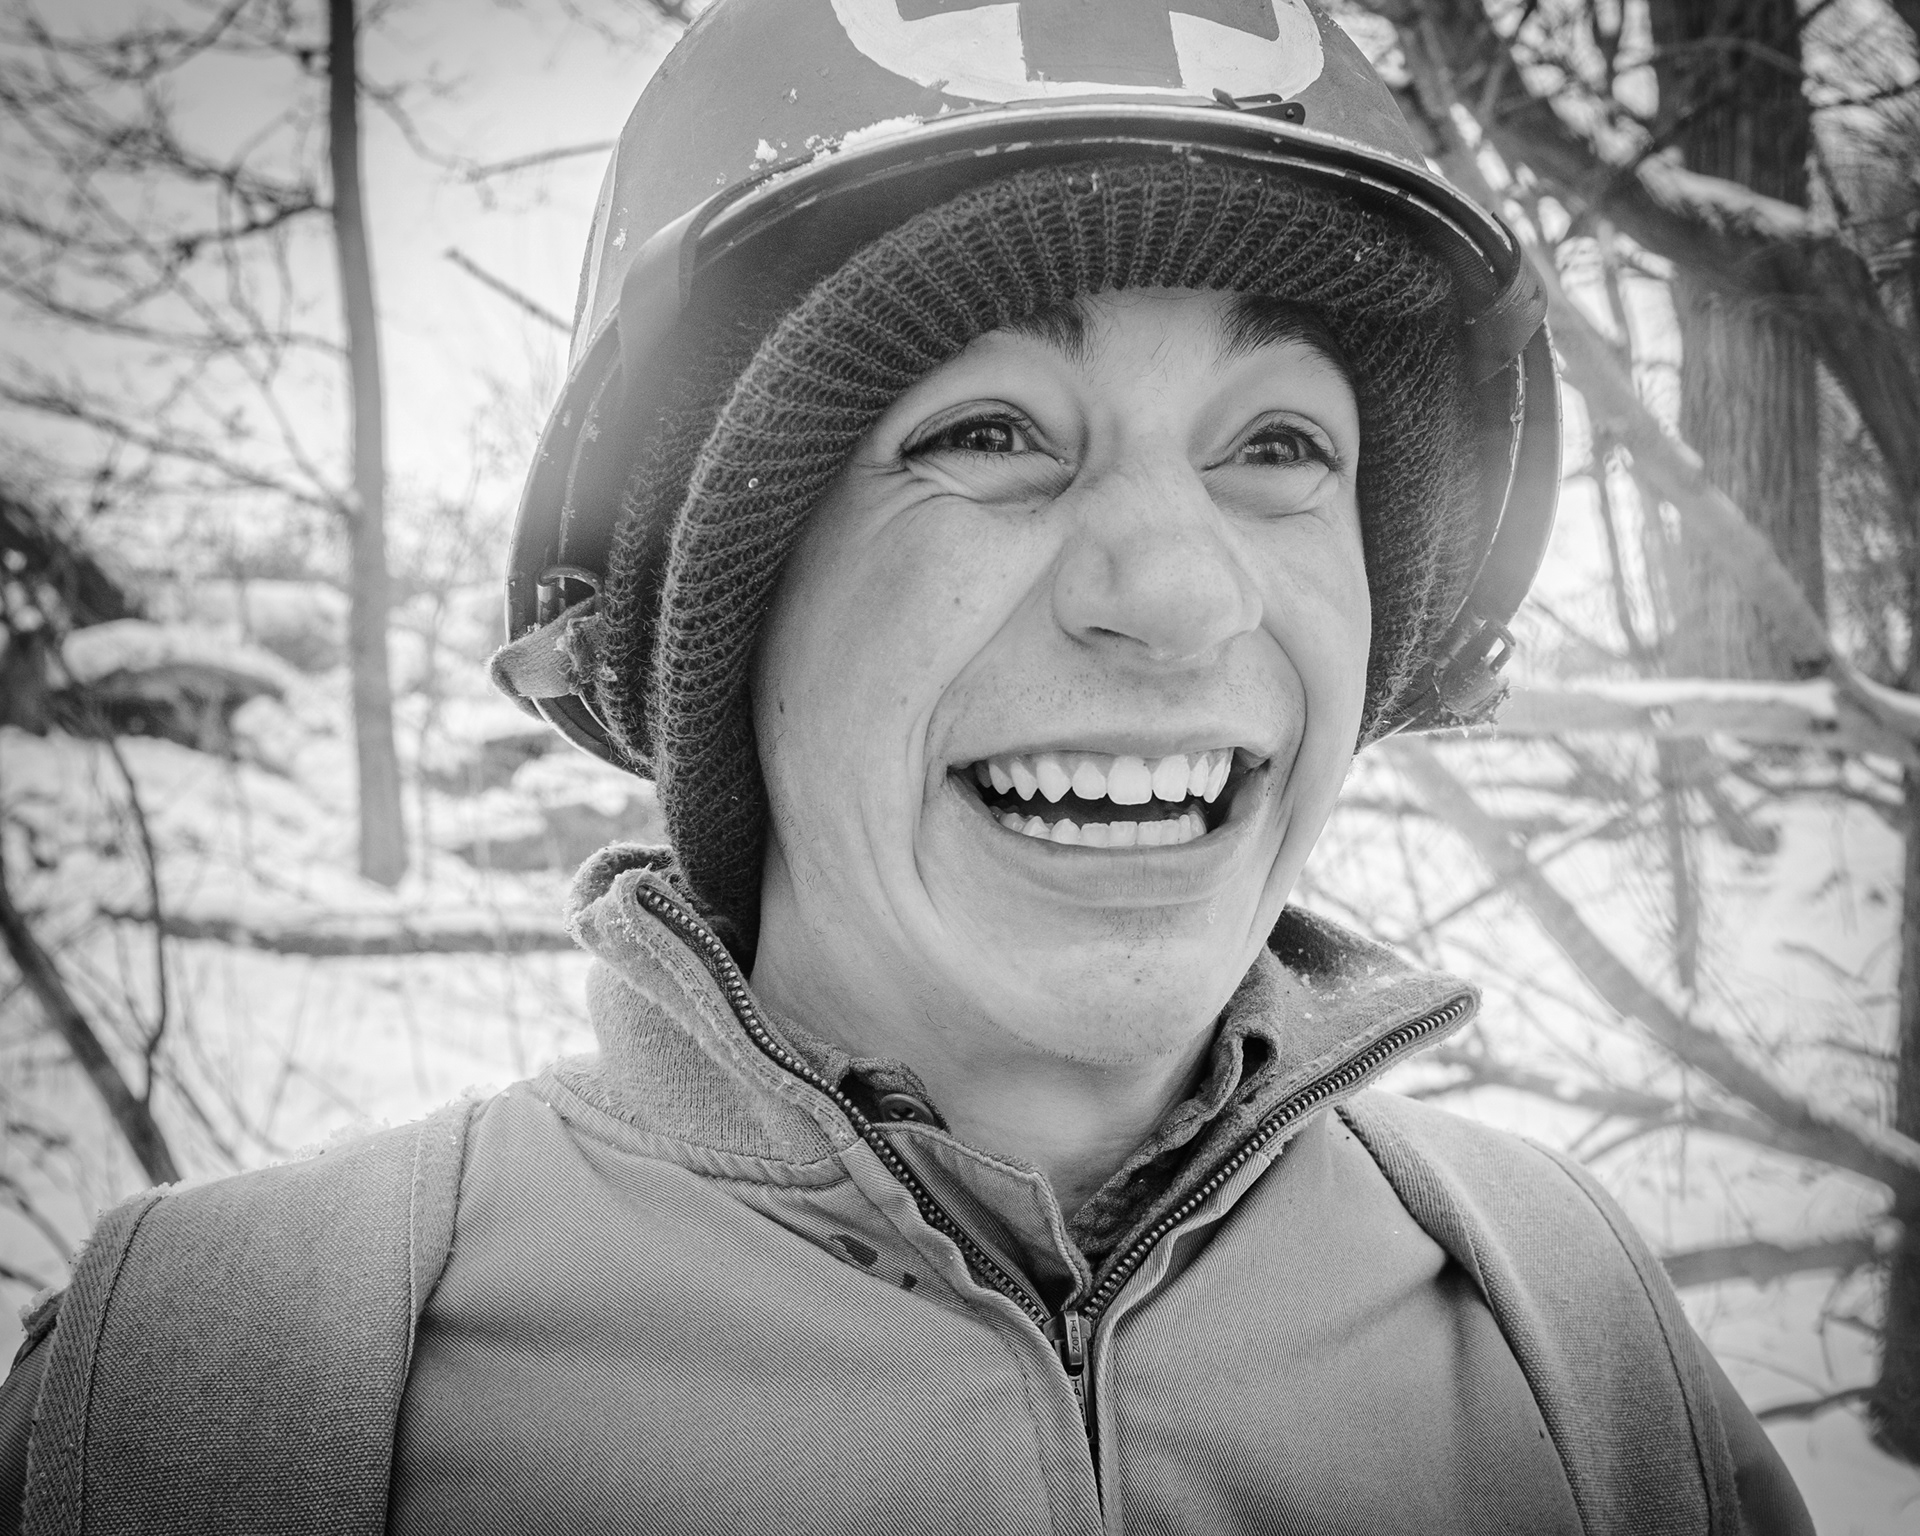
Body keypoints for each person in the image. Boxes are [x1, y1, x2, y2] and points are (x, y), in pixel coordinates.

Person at [0, 1, 1815, 1531]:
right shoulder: (215, 1390)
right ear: (727, 612)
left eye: (1278, 444)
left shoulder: (1571, 1335)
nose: (1180, 596)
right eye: (992, 431)